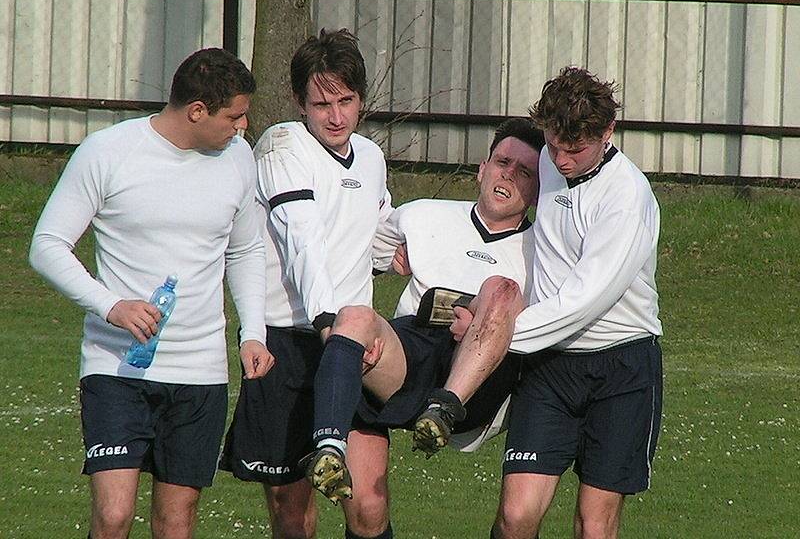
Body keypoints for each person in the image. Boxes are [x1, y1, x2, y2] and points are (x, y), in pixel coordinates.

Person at [28, 48, 273, 539]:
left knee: (175, 521)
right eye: (235, 115)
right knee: (114, 516)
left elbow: (246, 252)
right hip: (116, 368)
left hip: (200, 371)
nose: (243, 126)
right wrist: (111, 306)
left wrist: (254, 333)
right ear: (197, 110)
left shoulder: (239, 159)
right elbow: (46, 246)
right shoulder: (108, 152)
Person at [444, 67, 662, 539]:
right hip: (550, 369)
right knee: (516, 516)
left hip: (620, 367)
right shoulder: (549, 156)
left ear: (608, 133)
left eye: (574, 150)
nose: (560, 160)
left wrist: (493, 335)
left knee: (593, 524)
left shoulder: (627, 200)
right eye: (554, 145)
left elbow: (581, 303)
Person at [303, 119, 544, 539]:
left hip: (480, 379)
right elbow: (359, 248)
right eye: (503, 162)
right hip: (409, 352)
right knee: (366, 509)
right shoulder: (420, 215)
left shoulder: (544, 248)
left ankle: (444, 409)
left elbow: (553, 318)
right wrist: (391, 258)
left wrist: (479, 316)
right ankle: (328, 446)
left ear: (538, 191)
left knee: (500, 289)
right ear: (482, 169)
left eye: (525, 172)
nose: (509, 174)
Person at [218, 28, 392, 539]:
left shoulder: (372, 157)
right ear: (300, 102)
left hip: (351, 343)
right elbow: (304, 240)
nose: (336, 117)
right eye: (321, 104)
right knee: (293, 515)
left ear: (361, 99)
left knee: (368, 506)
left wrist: (398, 251)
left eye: (346, 101)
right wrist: (326, 325)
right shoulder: (282, 146)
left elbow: (378, 227)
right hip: (290, 341)